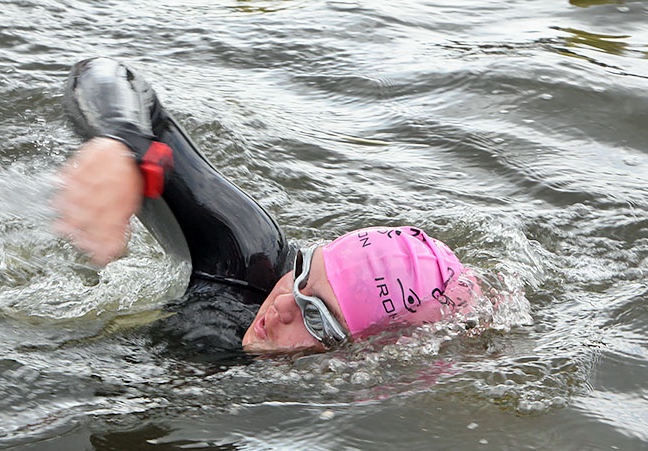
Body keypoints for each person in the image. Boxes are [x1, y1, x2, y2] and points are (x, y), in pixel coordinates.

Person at [53, 58, 484, 358]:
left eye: (317, 315)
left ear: (362, 353)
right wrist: (123, 143)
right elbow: (105, 75)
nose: (281, 306)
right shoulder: (246, 262)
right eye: (301, 275)